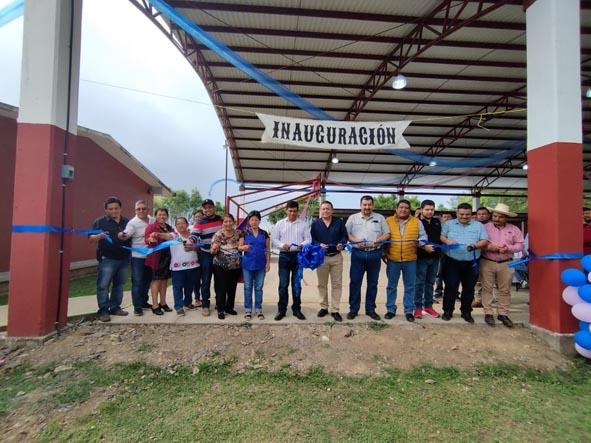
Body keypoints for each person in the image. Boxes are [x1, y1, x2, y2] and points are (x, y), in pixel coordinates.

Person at [440, 202, 488, 323]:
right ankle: (448, 311)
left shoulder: (478, 226)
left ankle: (466, 312)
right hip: (452, 262)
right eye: (461, 214)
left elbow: (484, 240)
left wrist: (476, 245)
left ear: (471, 214)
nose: (464, 216)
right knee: (450, 287)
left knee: (469, 288)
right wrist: (447, 241)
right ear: (457, 213)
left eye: (467, 214)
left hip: (472, 262)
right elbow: (441, 236)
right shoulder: (448, 224)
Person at [345, 195, 390, 320]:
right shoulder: (353, 218)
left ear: (373, 205)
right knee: (355, 282)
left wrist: (380, 239)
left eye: (369, 204)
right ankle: (353, 309)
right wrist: (355, 240)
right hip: (357, 254)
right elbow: (346, 233)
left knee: (372, 284)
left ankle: (370, 310)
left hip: (374, 254)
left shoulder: (380, 218)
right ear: (360, 205)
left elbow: (387, 234)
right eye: (364, 205)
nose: (367, 207)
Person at [384, 199, 428, 322]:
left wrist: (420, 242)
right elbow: (383, 235)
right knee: (391, 286)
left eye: (406, 208)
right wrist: (383, 252)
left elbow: (424, 236)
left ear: (410, 210)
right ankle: (390, 310)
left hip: (411, 260)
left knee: (410, 286)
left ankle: (409, 311)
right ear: (396, 209)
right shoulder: (388, 221)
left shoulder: (416, 222)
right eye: (401, 207)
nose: (403, 210)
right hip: (393, 259)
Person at [480, 203, 524, 328]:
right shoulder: (485, 227)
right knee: (487, 288)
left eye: (500, 217)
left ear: (506, 217)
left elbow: (520, 245)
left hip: (506, 263)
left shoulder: (514, 229)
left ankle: (503, 313)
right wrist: (488, 247)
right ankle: (488, 312)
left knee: (504, 290)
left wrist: (508, 248)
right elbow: (478, 242)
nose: (496, 219)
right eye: (494, 216)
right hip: (487, 261)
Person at [89, 196, 132, 322]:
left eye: (116, 208)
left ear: (120, 208)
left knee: (119, 284)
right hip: (107, 259)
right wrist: (98, 236)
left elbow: (131, 236)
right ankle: (103, 311)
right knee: (103, 285)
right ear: (106, 210)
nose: (114, 211)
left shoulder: (127, 222)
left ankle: (115, 307)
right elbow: (90, 239)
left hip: (124, 259)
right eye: (111, 209)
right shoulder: (100, 222)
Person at [271, 200, 311, 321]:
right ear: (286, 211)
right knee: (283, 285)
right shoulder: (279, 224)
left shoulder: (303, 224)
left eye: (294, 211)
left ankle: (297, 309)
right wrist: (282, 245)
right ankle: (281, 310)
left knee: (296, 285)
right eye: (290, 211)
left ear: (297, 211)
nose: (292, 213)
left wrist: (301, 245)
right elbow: (274, 239)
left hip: (298, 257)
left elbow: (309, 239)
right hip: (284, 256)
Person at [310, 200, 348, 322]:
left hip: (336, 257)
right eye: (323, 209)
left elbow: (344, 236)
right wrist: (318, 244)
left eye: (328, 209)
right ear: (321, 210)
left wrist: (341, 243)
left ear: (332, 210)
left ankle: (335, 310)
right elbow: (312, 239)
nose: (325, 211)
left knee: (336, 284)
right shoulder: (315, 224)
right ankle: (323, 307)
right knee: (322, 284)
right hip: (321, 258)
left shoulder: (339, 222)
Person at [118, 200, 154, 316]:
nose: (141, 211)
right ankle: (137, 307)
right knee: (137, 281)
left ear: (147, 209)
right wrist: (122, 235)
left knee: (147, 280)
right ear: (135, 210)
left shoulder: (152, 220)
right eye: (138, 209)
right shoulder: (132, 223)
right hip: (137, 257)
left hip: (150, 256)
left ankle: (144, 302)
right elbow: (126, 234)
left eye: (143, 208)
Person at [190, 199, 223, 316]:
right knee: (206, 280)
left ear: (214, 208)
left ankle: (219, 303)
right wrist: (190, 240)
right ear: (203, 209)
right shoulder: (200, 221)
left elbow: (227, 231)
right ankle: (205, 304)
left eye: (210, 207)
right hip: (205, 254)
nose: (207, 209)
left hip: (220, 253)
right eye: (205, 208)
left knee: (219, 280)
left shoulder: (221, 219)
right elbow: (194, 235)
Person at [239, 210, 271, 320]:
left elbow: (267, 249)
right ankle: (248, 310)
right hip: (247, 264)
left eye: (256, 220)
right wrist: (244, 248)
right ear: (249, 221)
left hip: (261, 265)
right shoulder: (244, 232)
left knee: (259, 287)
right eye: (252, 220)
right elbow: (239, 247)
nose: (254, 222)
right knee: (247, 287)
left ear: (260, 221)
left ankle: (258, 309)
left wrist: (268, 263)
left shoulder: (264, 233)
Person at [211, 213, 242, 320]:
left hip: (235, 266)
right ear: (222, 223)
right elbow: (212, 251)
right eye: (225, 221)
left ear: (233, 222)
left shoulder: (239, 233)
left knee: (232, 288)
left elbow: (241, 246)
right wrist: (214, 248)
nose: (228, 223)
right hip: (220, 266)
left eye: (230, 221)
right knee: (221, 288)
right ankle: (220, 309)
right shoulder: (218, 235)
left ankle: (229, 308)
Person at [414, 199, 442, 319]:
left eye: (432, 209)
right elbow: (414, 240)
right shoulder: (416, 222)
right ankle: (418, 308)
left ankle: (428, 306)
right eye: (427, 209)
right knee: (419, 283)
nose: (430, 212)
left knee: (430, 283)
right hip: (421, 257)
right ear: (421, 210)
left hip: (435, 258)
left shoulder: (437, 222)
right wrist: (424, 247)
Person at [145, 208, 174, 315]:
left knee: (164, 281)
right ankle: (155, 305)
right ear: (156, 216)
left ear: (167, 216)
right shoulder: (152, 227)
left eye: (164, 215)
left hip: (167, 258)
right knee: (156, 281)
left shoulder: (169, 227)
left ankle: (163, 303)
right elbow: (147, 240)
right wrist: (151, 240)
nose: (162, 217)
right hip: (156, 258)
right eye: (160, 215)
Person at [169, 217, 200, 316]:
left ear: (187, 224)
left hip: (192, 266)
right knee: (177, 287)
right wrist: (157, 234)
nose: (180, 225)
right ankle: (178, 306)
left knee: (189, 286)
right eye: (178, 223)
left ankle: (187, 302)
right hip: (177, 267)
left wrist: (194, 248)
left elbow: (199, 249)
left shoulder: (193, 236)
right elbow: (165, 236)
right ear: (176, 226)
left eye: (183, 223)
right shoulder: (173, 235)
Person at [472, 206, 492, 308]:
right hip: (476, 255)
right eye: (479, 214)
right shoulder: (473, 225)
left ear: (488, 215)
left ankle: (490, 300)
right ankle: (478, 299)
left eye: (484, 214)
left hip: (490, 256)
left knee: (490, 280)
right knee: (477, 279)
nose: (481, 216)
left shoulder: (493, 226)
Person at [191, 208, 204, 307]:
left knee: (205, 279)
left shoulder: (205, 227)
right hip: (194, 257)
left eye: (200, 216)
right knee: (196, 279)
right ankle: (197, 298)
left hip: (204, 255)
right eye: (196, 217)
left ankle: (204, 298)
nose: (198, 218)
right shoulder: (191, 229)